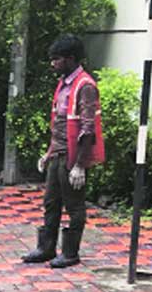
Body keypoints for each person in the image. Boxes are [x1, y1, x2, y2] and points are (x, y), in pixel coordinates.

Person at [23, 34, 105, 269]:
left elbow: (87, 128)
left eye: (56, 59)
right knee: (51, 202)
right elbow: (60, 123)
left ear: (70, 59)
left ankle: (70, 253)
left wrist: (79, 165)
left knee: (74, 205)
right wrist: (48, 153)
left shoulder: (85, 86)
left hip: (73, 156)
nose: (53, 63)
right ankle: (46, 248)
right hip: (58, 154)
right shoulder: (64, 84)